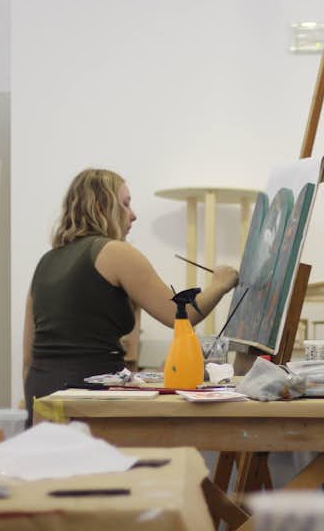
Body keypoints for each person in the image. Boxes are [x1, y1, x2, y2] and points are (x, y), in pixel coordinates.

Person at [23, 169, 239, 420]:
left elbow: (28, 356)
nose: (133, 215)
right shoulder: (114, 251)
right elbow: (181, 314)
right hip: (88, 395)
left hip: (42, 393)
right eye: (125, 204)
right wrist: (220, 283)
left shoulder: (46, 261)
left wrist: (32, 408)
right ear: (100, 205)